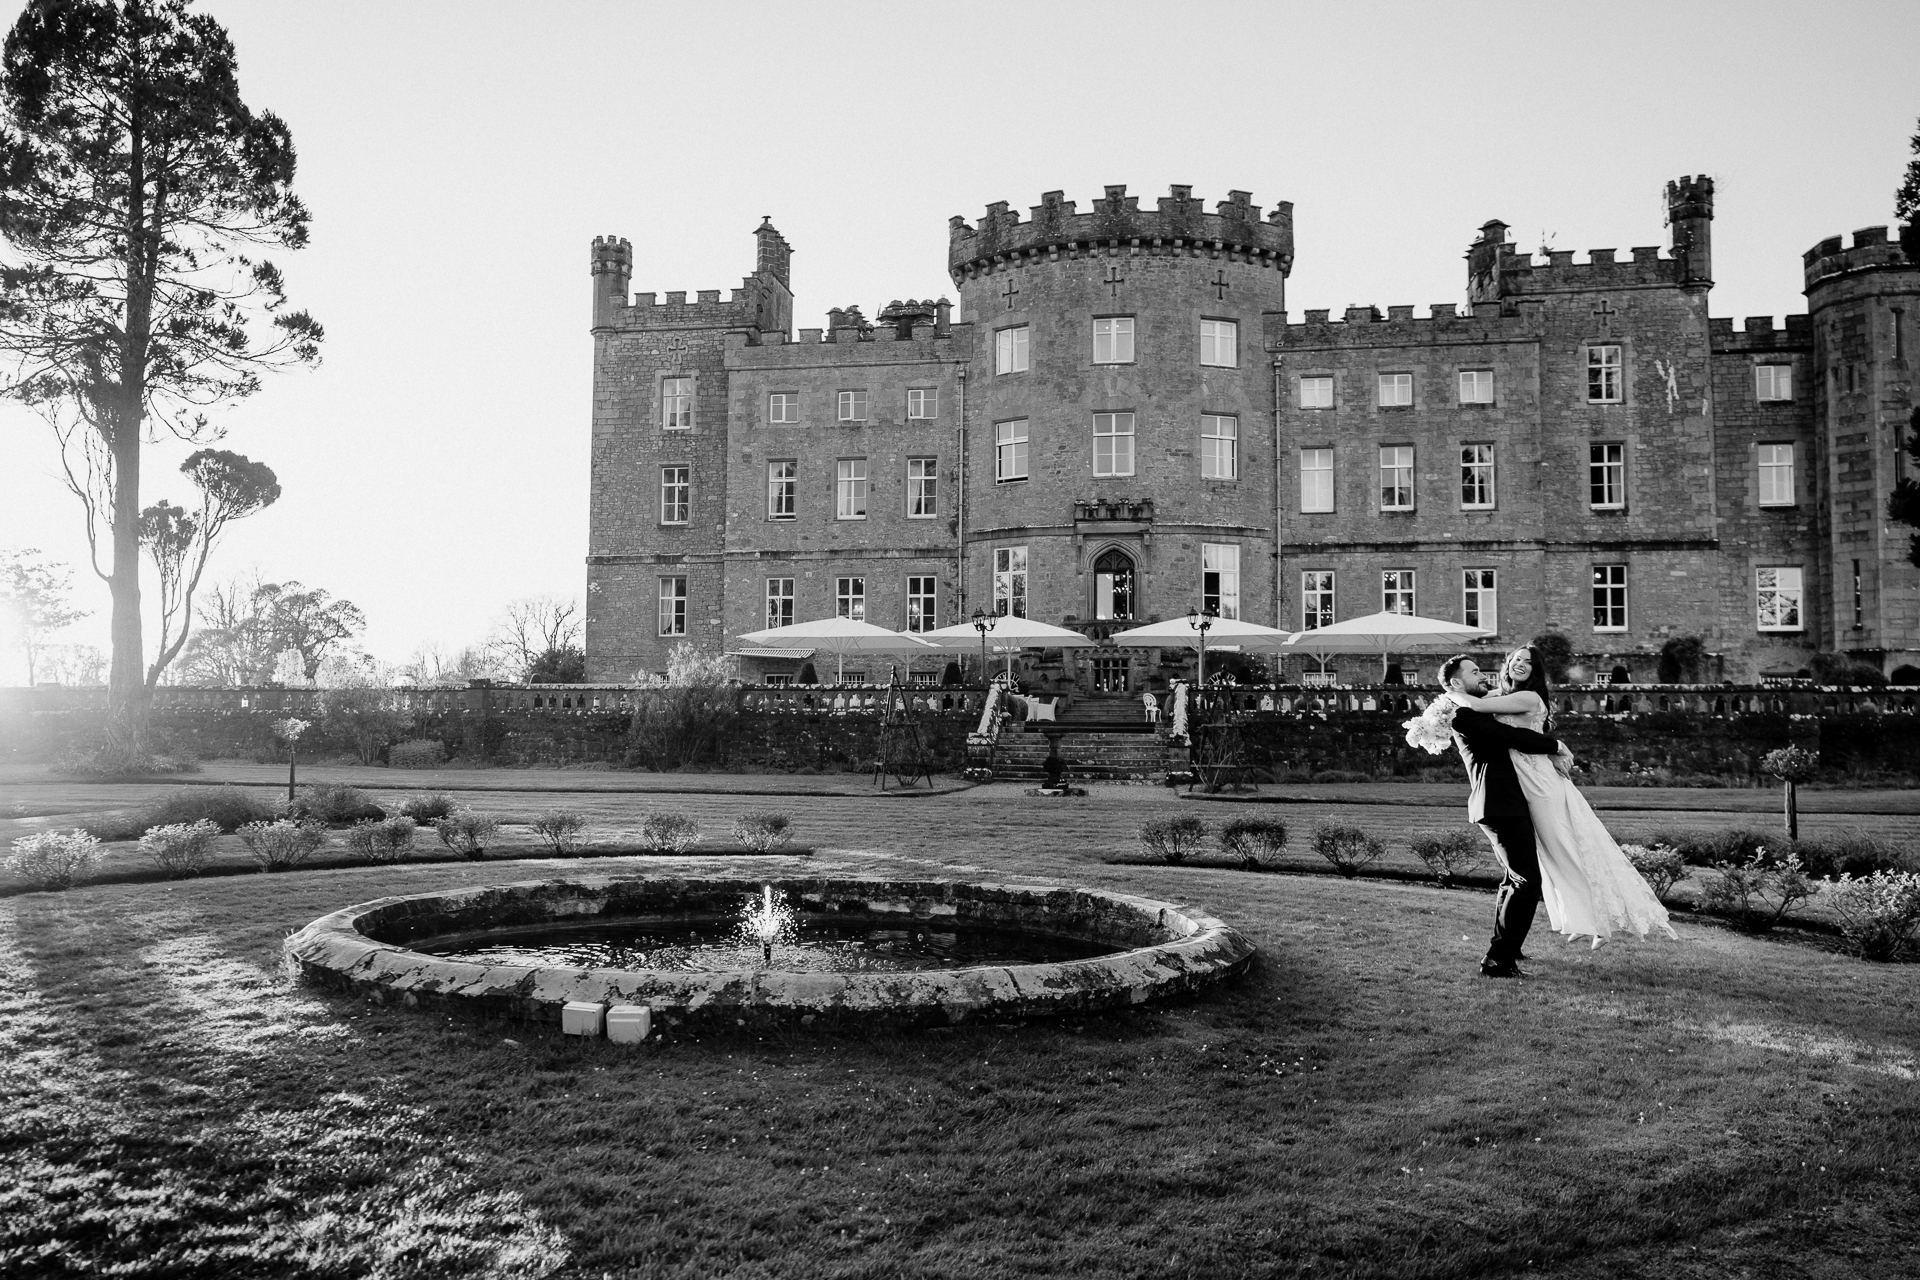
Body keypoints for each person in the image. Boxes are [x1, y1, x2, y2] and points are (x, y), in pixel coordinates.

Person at [1446, 645, 1677, 952]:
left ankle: (1597, 921)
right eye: (1515, 659)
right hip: (1522, 783)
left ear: (1536, 671)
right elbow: (1483, 708)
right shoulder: (1499, 695)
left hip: (1539, 782)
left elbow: (1473, 706)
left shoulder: (1527, 697)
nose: (1519, 664)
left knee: (1565, 850)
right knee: (1547, 857)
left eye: (1528, 662)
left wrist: (1448, 696)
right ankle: (1579, 919)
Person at [1436, 654, 1574, 977]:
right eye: (1473, 672)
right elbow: (1510, 737)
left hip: (1502, 803)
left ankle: (1508, 948)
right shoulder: (1464, 714)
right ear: (1457, 683)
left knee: (1514, 878)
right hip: (1500, 803)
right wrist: (1556, 746)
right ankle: (1498, 960)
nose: (1481, 674)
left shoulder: (1470, 708)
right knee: (1528, 880)